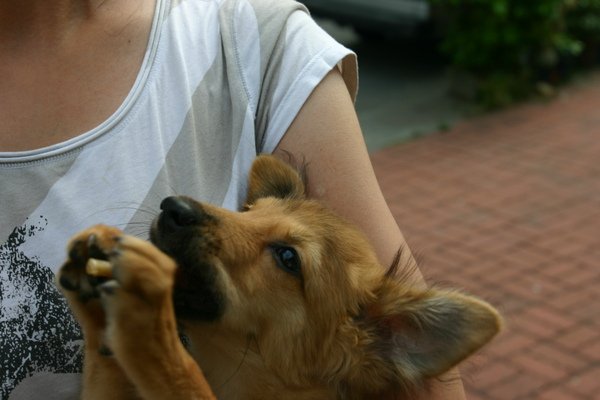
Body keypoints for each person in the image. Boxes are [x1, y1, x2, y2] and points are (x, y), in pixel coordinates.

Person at [0, 0, 466, 398]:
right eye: (248, 211)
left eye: (286, 257)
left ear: (376, 340)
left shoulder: (254, 42)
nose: (187, 212)